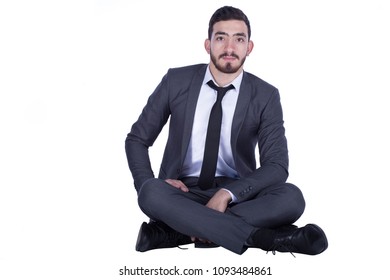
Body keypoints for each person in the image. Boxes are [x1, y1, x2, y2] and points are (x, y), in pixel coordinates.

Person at [125, 6, 328, 255]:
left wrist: (227, 194)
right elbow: (137, 139)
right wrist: (148, 182)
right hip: (182, 193)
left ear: (249, 47)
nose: (229, 48)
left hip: (239, 195)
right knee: (150, 192)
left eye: (238, 39)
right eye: (221, 38)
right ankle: (264, 238)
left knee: (291, 198)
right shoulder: (175, 81)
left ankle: (176, 230)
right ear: (208, 44)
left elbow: (276, 165)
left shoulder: (265, 95)